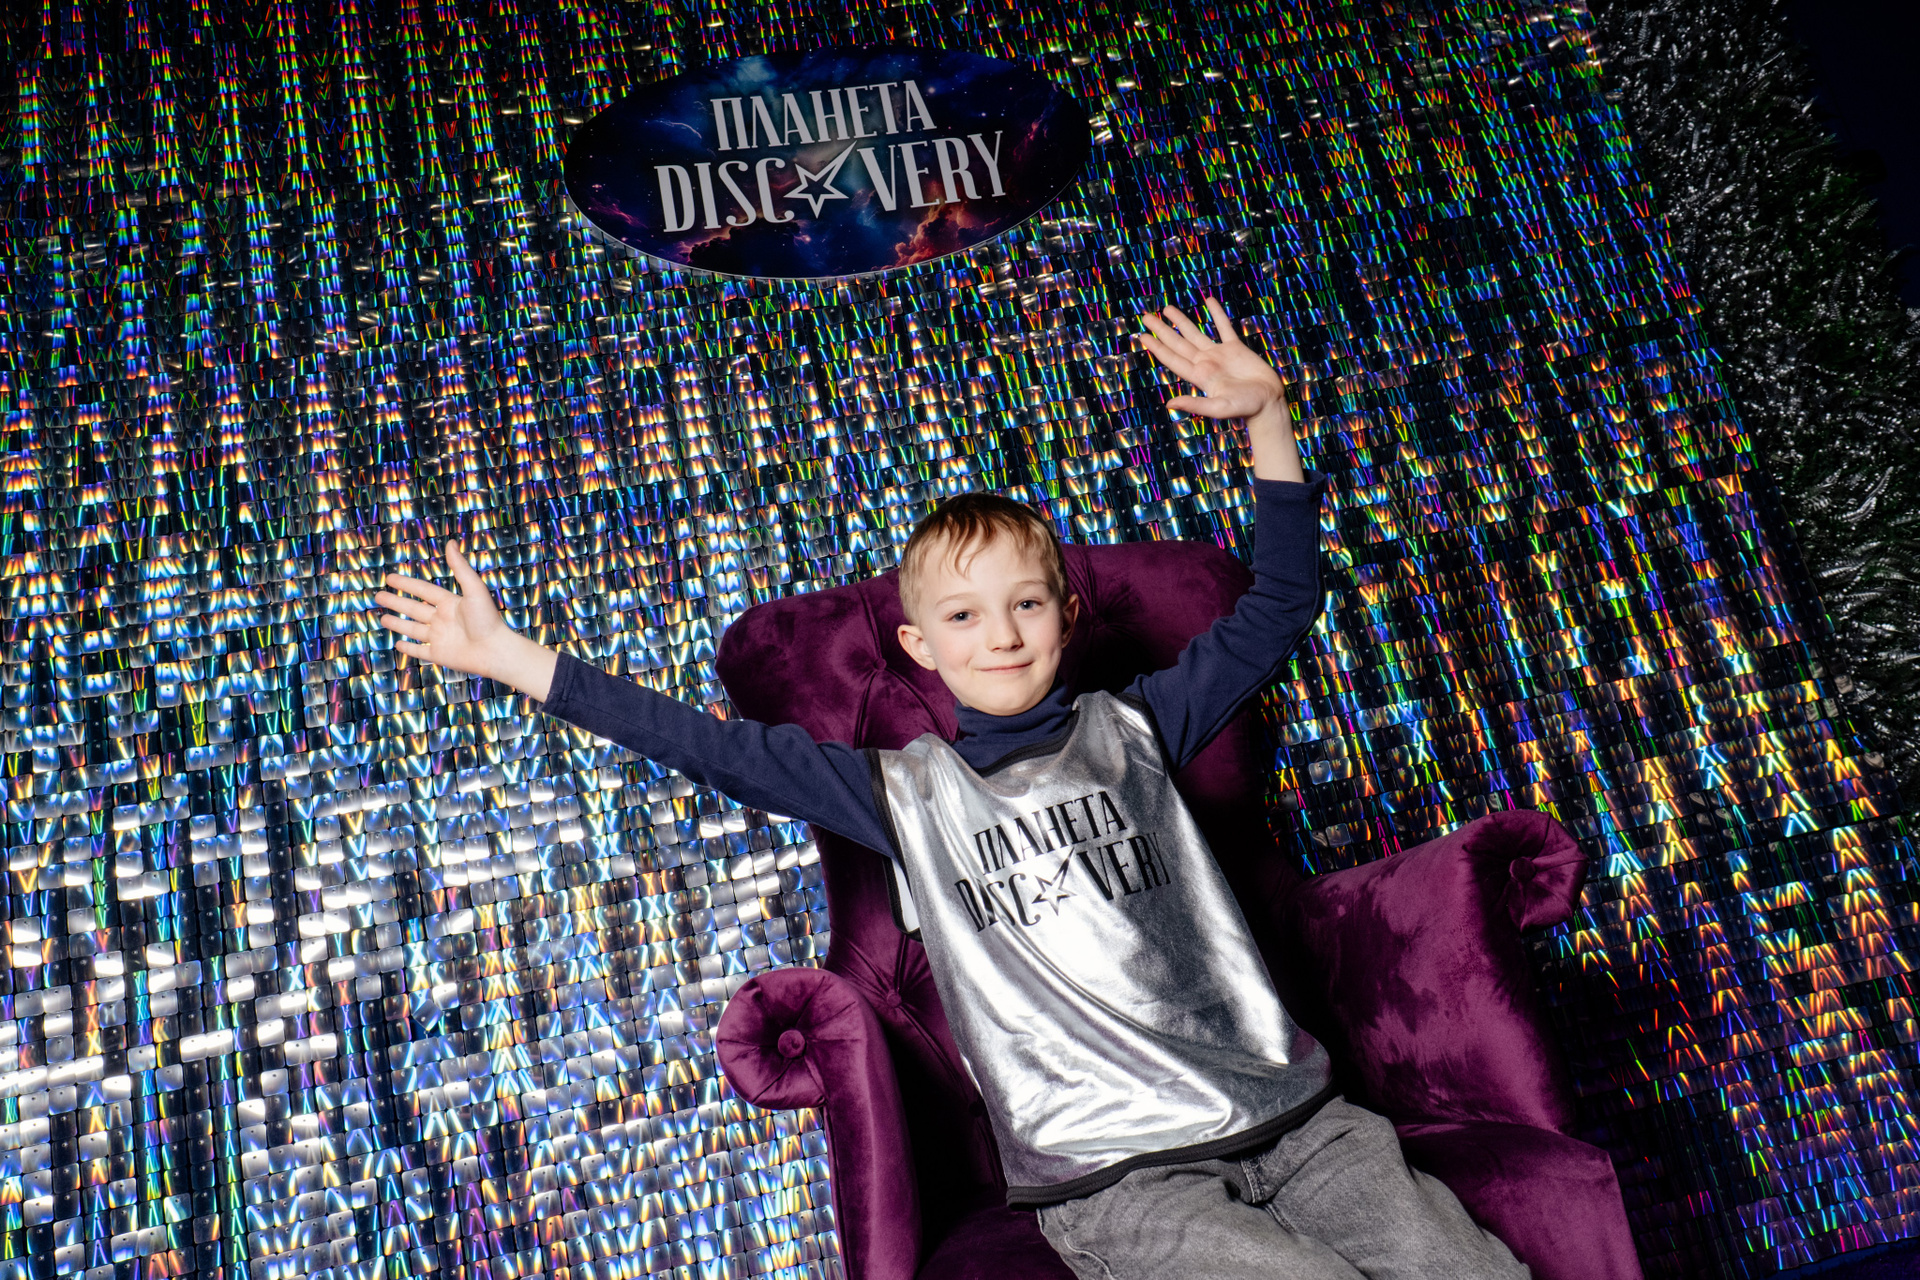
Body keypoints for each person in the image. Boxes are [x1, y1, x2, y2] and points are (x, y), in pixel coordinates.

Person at [369, 300, 1528, 1279]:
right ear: (923, 648)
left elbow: (1278, 606)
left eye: (1025, 602)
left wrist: (1268, 421)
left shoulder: (1139, 725)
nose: (1002, 633)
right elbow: (711, 748)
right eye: (966, 615)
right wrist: (515, 659)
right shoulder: (901, 791)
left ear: (1066, 615)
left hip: (1302, 1119)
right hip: (1115, 1174)